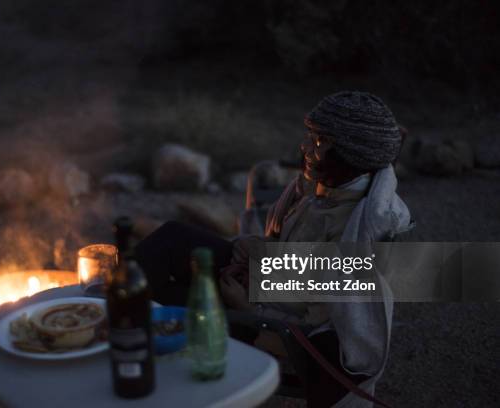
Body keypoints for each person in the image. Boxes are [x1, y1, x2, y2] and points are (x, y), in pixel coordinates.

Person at [135, 91, 413, 407]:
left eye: (320, 141)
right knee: (171, 238)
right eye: (310, 135)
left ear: (353, 155)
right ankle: (110, 308)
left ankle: (120, 347)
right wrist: (252, 251)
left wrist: (246, 308)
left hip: (271, 324)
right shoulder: (328, 188)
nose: (306, 146)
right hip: (265, 281)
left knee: (160, 300)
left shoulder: (353, 240)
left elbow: (316, 325)